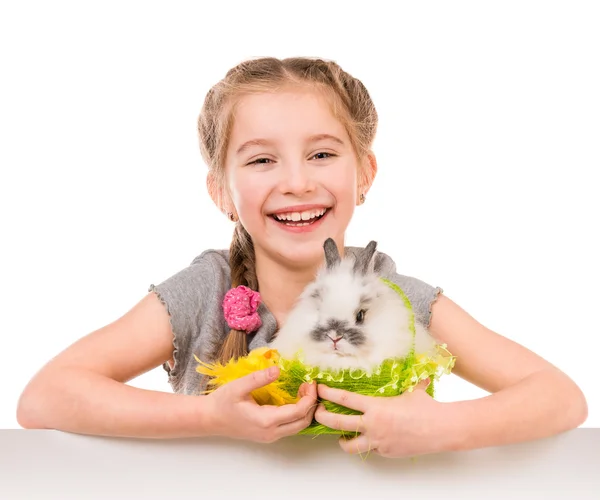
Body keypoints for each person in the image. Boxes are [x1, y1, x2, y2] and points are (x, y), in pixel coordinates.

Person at [16, 56, 588, 458]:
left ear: (363, 174)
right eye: (262, 161)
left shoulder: (400, 300)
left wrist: (444, 427)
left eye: (320, 153)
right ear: (221, 191)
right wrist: (208, 418)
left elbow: (560, 397)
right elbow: (45, 397)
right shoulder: (205, 293)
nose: (295, 182)